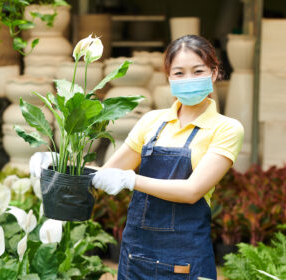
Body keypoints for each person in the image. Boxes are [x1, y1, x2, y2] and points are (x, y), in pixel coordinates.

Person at [30, 35, 244, 279]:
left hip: (185, 259)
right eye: (179, 73)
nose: (188, 80)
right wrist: (57, 166)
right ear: (168, 76)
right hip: (136, 257)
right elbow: (104, 175)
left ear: (214, 73)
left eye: (197, 71)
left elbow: (192, 191)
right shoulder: (152, 121)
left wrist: (131, 180)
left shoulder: (226, 128)